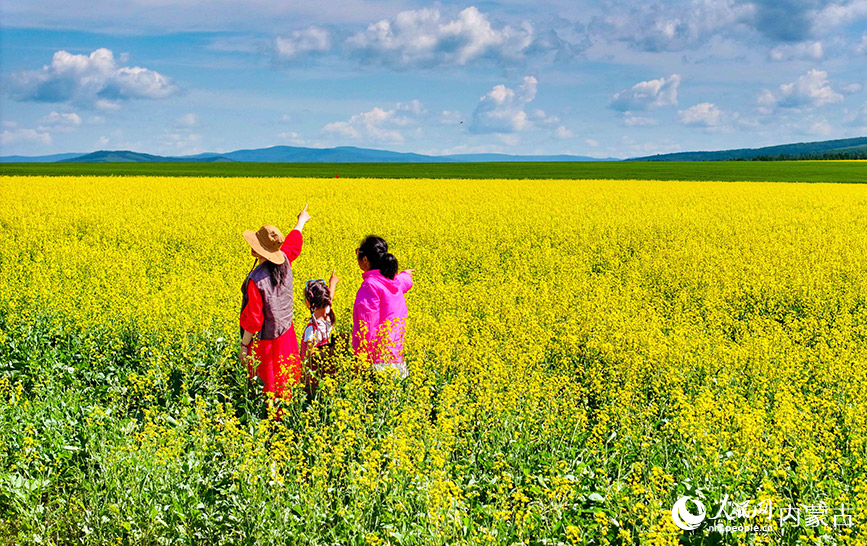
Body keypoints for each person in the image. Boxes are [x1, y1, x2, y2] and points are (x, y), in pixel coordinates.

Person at [239, 204, 310, 403]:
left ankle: (271, 425)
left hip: (266, 342)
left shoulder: (257, 280)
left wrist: (244, 346)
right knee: (286, 381)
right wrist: (301, 221)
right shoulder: (285, 260)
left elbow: (254, 319)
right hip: (287, 334)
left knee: (268, 387)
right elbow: (293, 243)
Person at [352, 236, 414, 379]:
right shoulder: (394, 280)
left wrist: (360, 358)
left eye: (358, 253)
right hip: (396, 357)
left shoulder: (371, 285)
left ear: (365, 260)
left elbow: (366, 324)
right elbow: (404, 282)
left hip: (377, 362)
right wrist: (406, 275)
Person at [300, 272, 340, 396]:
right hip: (329, 378)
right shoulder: (328, 317)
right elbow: (329, 300)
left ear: (308, 303)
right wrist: (332, 283)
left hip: (313, 385)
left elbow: (309, 359)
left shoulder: (311, 331)